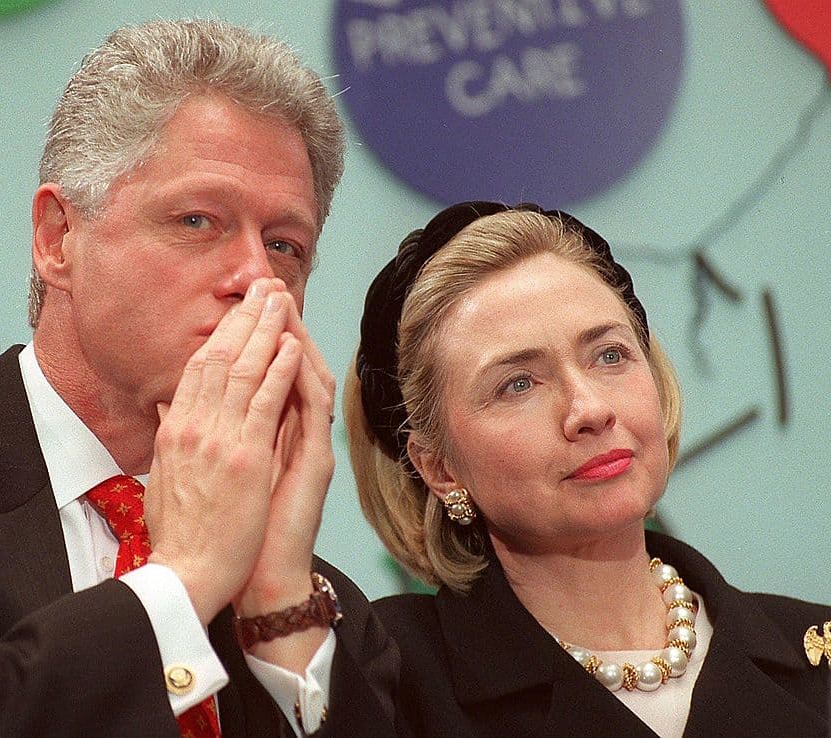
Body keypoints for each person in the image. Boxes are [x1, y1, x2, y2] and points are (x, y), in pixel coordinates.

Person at [0, 19, 398, 737]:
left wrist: (276, 600)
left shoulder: (329, 609)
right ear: (59, 239)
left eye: (285, 244)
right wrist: (181, 582)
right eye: (197, 220)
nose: (256, 278)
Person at [344, 201, 830, 737]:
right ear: (439, 468)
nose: (591, 409)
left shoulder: (815, 654)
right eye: (518, 384)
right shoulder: (385, 683)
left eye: (609, 355)